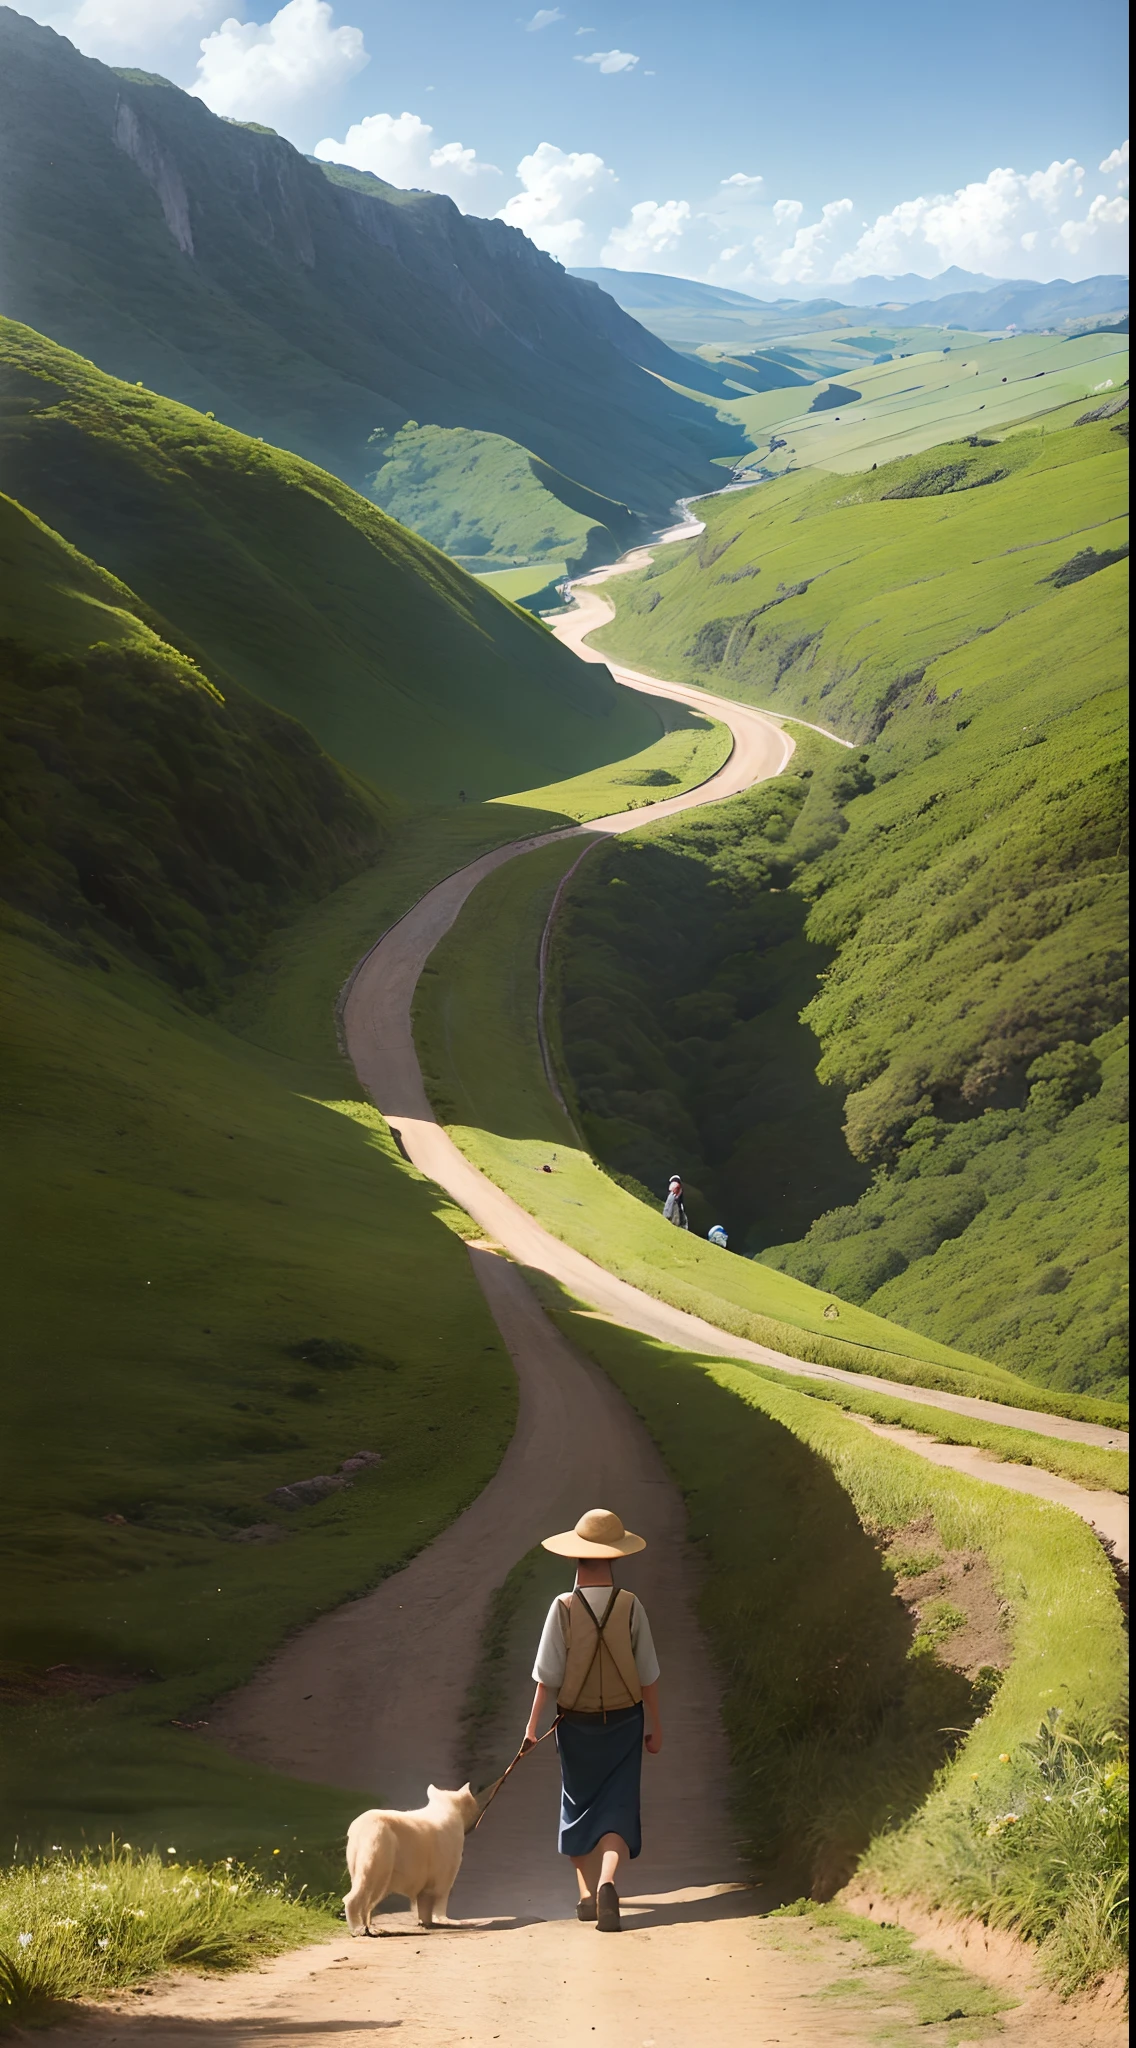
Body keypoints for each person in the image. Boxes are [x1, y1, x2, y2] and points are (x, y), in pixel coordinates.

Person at [524, 1508, 662, 1933]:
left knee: (578, 1806)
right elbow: (647, 1675)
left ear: (575, 1558)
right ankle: (606, 1884)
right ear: (615, 1557)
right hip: (625, 1721)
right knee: (618, 1808)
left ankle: (585, 1894)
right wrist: (654, 1724)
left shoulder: (563, 1607)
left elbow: (547, 1677)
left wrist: (531, 1728)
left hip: (576, 1724)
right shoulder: (630, 1605)